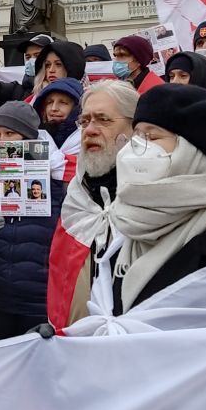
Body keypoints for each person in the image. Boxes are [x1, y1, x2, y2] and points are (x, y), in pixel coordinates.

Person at [58, 84, 206, 336]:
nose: (134, 148)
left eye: (151, 137)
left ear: (195, 153)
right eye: (137, 136)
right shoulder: (126, 234)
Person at [45, 80, 138, 328]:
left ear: (135, 129)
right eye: (84, 121)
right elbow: (61, 283)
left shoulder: (152, 200)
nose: (90, 130)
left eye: (103, 120)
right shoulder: (77, 200)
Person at [0, 102, 64, 340]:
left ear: (29, 139)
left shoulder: (56, 184)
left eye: (10, 134)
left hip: (37, 302)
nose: (2, 141)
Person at [33, 77, 83, 152]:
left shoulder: (85, 139)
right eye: (49, 102)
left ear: (77, 108)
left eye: (63, 103)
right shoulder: (32, 137)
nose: (54, 108)